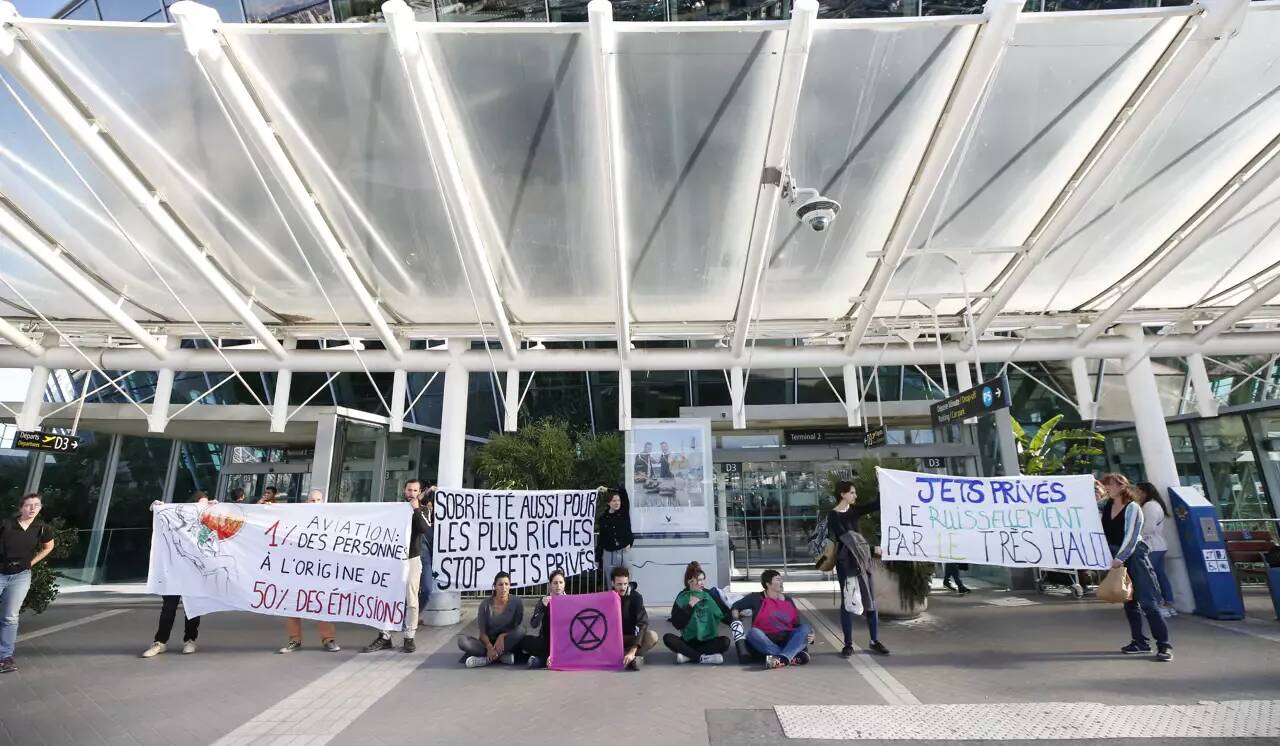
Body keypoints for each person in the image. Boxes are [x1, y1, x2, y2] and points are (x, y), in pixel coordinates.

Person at [1099, 473, 1173, 662]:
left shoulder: (1133, 508)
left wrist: (1120, 557)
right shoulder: (1107, 506)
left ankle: (1164, 645)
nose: (1107, 488)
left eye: (1111, 485)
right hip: (1118, 556)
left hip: (1134, 556)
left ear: (1122, 486)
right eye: (1106, 485)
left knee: (1148, 602)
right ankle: (1139, 641)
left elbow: (1132, 536)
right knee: (1130, 602)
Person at [362, 479, 431, 653]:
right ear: (404, 490)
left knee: (411, 599)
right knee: (387, 597)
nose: (412, 493)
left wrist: (416, 508)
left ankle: (409, 636)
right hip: (393, 559)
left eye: (415, 490)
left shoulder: (423, 510)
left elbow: (423, 528)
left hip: (412, 559)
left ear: (420, 492)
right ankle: (384, 636)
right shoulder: (394, 509)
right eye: (409, 490)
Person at [142, 491, 212, 658]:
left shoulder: (205, 524)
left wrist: (220, 508)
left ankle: (190, 639)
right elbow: (162, 523)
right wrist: (159, 508)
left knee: (193, 608)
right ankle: (160, 641)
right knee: (168, 608)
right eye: (201, 504)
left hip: (194, 571)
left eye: (205, 504)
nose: (203, 507)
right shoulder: (177, 520)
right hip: (174, 571)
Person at [827, 481, 889, 656]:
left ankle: (874, 641)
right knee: (848, 601)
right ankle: (847, 644)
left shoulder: (855, 510)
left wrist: (879, 482)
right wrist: (871, 549)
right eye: (852, 493)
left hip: (863, 561)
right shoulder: (833, 516)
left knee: (869, 599)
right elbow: (847, 540)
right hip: (846, 563)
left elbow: (876, 504)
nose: (855, 496)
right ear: (842, 494)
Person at [279, 489, 341, 654]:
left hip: (319, 570)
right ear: (307, 502)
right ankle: (294, 640)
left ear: (323, 502)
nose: (315, 503)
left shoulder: (329, 521)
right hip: (297, 569)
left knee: (321, 604)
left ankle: (329, 639)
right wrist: (267, 508)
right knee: (292, 604)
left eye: (318, 500)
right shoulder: (296, 518)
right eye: (312, 500)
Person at [0, 494, 56, 674]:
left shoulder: (41, 528)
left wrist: (31, 563)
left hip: (20, 576)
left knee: (10, 617)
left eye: (36, 505)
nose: (32, 508)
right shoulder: (6, 524)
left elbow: (48, 547)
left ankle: (5, 657)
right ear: (20, 508)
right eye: (28, 505)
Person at [731, 569, 814, 669]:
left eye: (781, 579)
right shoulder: (756, 597)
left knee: (806, 627)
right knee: (753, 633)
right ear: (768, 584)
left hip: (786, 639)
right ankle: (790, 656)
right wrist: (736, 619)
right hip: (765, 640)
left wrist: (810, 635)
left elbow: (796, 625)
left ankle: (780, 659)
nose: (782, 582)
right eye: (778, 579)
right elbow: (735, 606)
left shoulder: (788, 600)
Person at [664, 561, 730, 665]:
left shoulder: (709, 595)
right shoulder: (682, 597)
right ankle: (704, 658)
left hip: (708, 640)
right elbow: (677, 623)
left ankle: (688, 657)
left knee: (725, 642)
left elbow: (725, 615)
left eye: (703, 579)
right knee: (668, 638)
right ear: (690, 581)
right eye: (699, 580)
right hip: (689, 641)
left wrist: (736, 614)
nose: (702, 582)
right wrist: (689, 607)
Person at [457, 571, 525, 668]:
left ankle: (486, 659)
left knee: (522, 630)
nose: (504, 588)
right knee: (462, 641)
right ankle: (498, 657)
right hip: (487, 643)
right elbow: (482, 633)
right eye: (500, 584)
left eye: (506, 584)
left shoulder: (517, 602)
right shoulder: (485, 605)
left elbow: (517, 627)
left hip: (506, 642)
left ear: (510, 586)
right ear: (495, 586)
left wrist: (502, 636)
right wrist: (489, 647)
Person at [1135, 481, 1175, 617]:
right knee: (1159, 574)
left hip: (1151, 546)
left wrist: (1137, 537)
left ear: (1144, 492)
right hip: (1158, 545)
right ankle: (1168, 603)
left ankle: (1158, 603)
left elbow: (1148, 528)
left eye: (1138, 491)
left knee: (1149, 576)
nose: (1136, 494)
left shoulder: (1149, 506)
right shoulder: (1155, 505)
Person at [612, 566, 658, 671]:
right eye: (619, 584)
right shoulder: (607, 597)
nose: (622, 587)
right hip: (614, 639)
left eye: (625, 584)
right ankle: (632, 659)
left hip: (632, 637)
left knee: (652, 636)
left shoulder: (636, 597)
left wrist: (633, 650)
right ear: (612, 583)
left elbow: (642, 623)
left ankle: (629, 656)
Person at [521, 568, 566, 668]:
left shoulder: (570, 601)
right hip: (546, 642)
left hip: (564, 642)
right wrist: (543, 607)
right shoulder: (544, 600)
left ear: (564, 584)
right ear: (550, 585)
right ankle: (549, 658)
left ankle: (540, 660)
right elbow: (534, 624)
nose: (558, 586)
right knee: (525, 640)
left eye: (560, 582)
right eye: (555, 583)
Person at [597, 489, 633, 582]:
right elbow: (601, 539)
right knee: (611, 581)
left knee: (626, 581)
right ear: (609, 503)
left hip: (624, 551)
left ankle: (626, 597)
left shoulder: (624, 513)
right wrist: (598, 558)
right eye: (614, 501)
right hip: (609, 553)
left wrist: (608, 489)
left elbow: (623, 492)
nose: (617, 503)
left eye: (618, 500)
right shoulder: (603, 518)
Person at [418, 485, 436, 611]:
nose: (430, 508)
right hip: (411, 553)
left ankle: (415, 614)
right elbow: (415, 500)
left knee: (427, 589)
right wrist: (429, 490)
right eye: (428, 505)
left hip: (427, 556)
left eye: (432, 506)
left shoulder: (440, 522)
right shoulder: (417, 511)